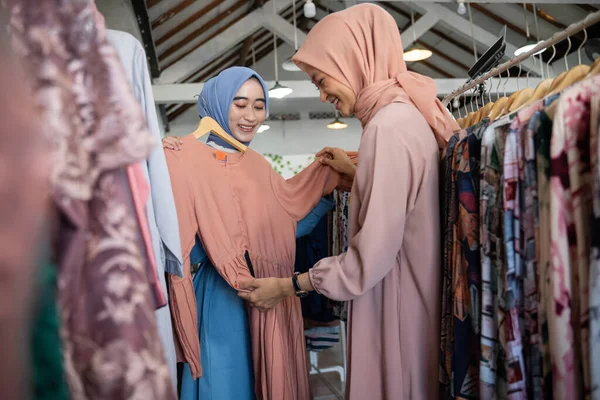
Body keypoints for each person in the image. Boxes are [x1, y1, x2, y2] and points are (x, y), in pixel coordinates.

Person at [237, 4, 460, 400]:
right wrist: (360, 178)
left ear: (354, 59)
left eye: (323, 81)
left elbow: (365, 263)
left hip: (395, 315)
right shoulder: (408, 117)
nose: (323, 95)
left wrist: (286, 286)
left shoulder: (386, 129)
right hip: (413, 307)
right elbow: (410, 208)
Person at [162, 66, 337, 400]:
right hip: (222, 296)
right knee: (227, 382)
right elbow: (183, 242)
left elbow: (284, 227)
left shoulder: (259, 166)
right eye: (239, 103)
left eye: (259, 106)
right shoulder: (182, 158)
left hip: (272, 289)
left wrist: (324, 194)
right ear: (218, 102)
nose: (250, 115)